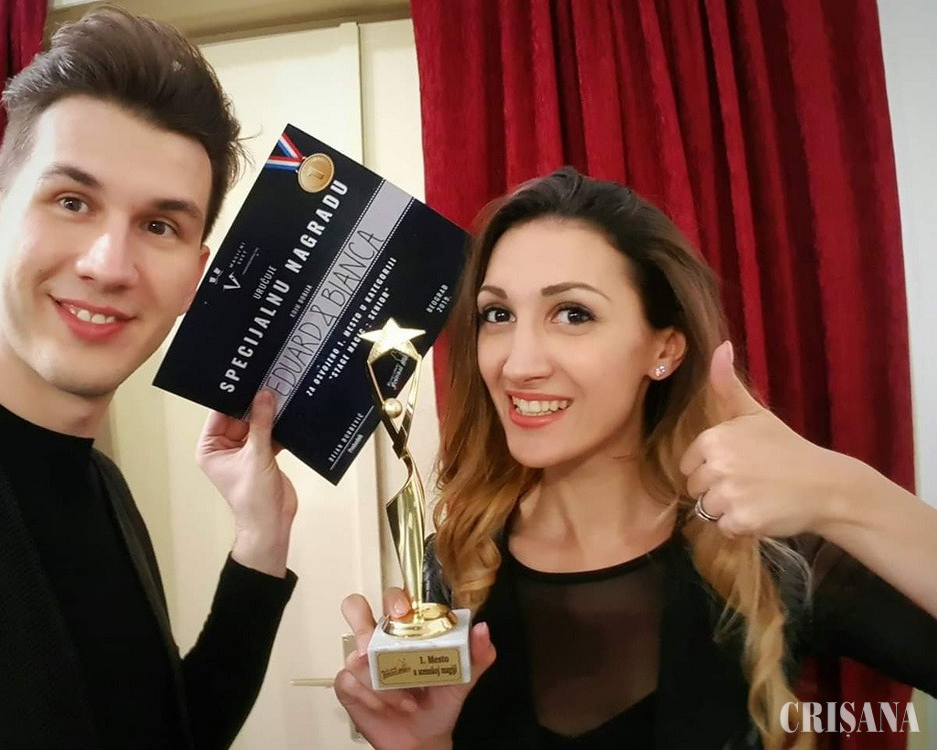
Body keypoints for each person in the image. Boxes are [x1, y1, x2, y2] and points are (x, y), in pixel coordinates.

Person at [333, 168, 937, 749]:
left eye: (573, 314)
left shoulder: (773, 556)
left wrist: (845, 493)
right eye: (498, 315)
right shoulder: (456, 564)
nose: (518, 364)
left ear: (664, 349)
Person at [0, 8, 298, 748]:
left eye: (160, 226)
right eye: (72, 202)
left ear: (194, 277)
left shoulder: (103, 487)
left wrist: (260, 542)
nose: (109, 265)